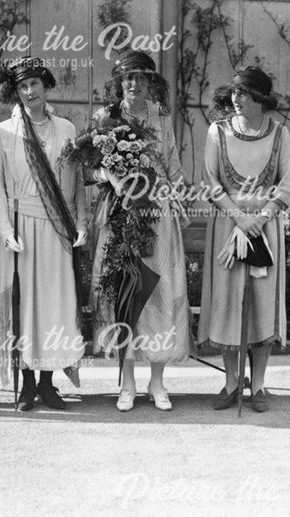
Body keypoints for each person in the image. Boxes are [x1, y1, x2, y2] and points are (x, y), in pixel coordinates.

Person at [86, 51, 193, 412]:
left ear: (150, 83)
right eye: (127, 78)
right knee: (127, 294)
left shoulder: (162, 118)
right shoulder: (106, 117)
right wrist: (114, 179)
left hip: (158, 214)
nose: (133, 84)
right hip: (122, 213)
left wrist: (179, 200)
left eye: (140, 78)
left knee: (161, 293)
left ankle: (158, 383)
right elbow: (91, 170)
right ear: (119, 83)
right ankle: (128, 383)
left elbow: (173, 164)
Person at [0, 57, 88, 411]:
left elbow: (77, 183)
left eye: (35, 83)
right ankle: (27, 385)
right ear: (15, 92)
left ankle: (48, 384)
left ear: (46, 86)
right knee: (26, 306)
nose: (29, 91)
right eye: (22, 86)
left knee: (54, 306)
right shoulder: (5, 132)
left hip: (57, 229)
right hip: (22, 230)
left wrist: (81, 224)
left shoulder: (66, 129)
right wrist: (4, 229)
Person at [198, 67, 290, 413]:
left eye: (245, 94)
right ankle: (231, 381)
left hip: (265, 230)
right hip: (227, 225)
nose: (237, 100)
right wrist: (239, 218)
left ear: (261, 100)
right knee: (227, 301)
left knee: (262, 303)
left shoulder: (280, 134)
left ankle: (260, 385)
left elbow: (286, 186)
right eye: (235, 93)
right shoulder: (217, 131)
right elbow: (210, 182)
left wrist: (259, 220)